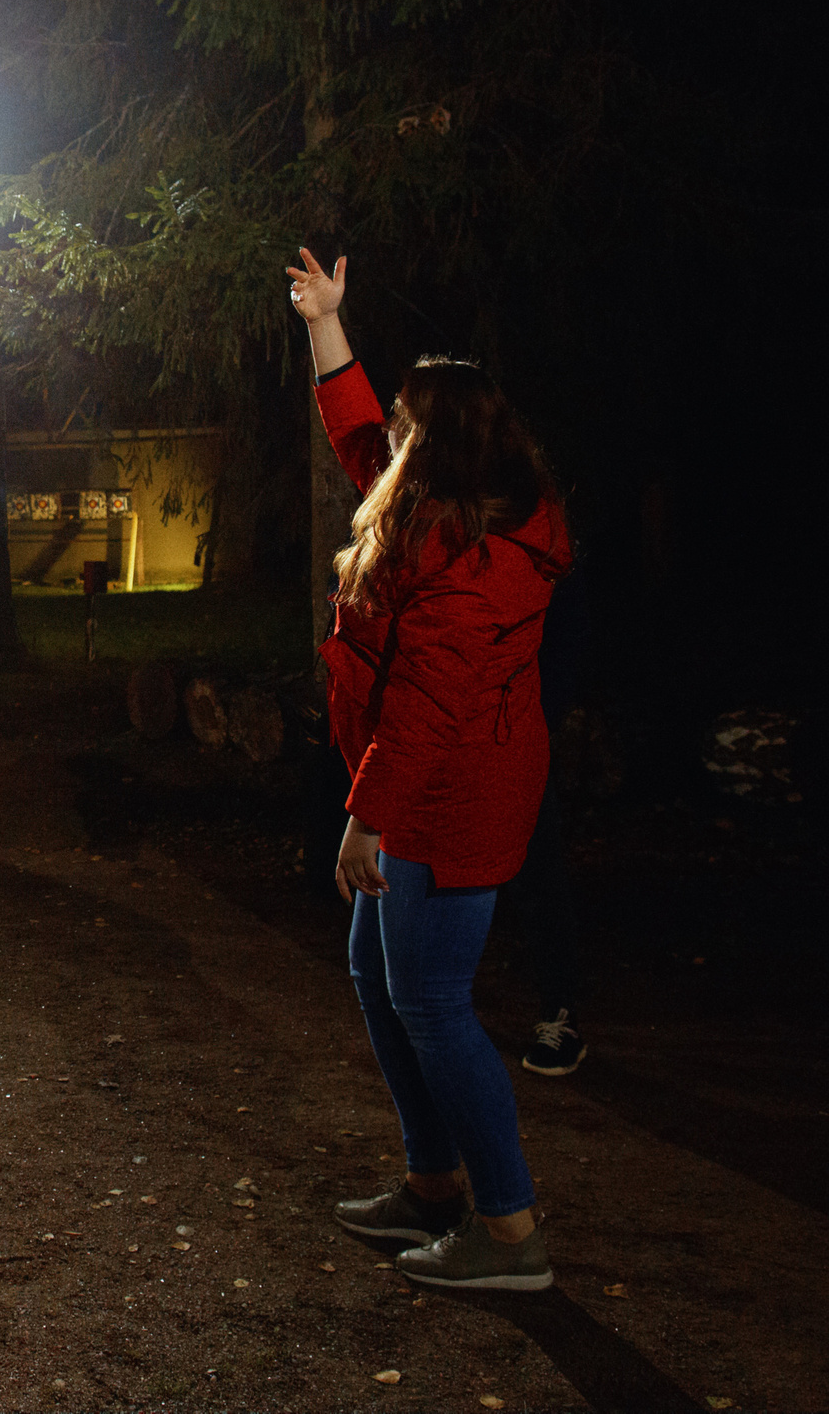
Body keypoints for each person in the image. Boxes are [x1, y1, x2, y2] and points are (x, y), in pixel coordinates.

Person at [288, 246, 571, 1292]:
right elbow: (359, 437)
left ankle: (509, 1228)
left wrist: (366, 818)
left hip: (450, 798)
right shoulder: (435, 501)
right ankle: (432, 1182)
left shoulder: (478, 554)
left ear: (438, 442)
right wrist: (326, 322)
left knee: (435, 1003)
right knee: (379, 977)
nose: (392, 437)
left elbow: (426, 705)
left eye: (408, 423)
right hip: (419, 786)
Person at [510, 566, 591, 1075]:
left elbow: (568, 626)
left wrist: (539, 713)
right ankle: (436, 1008)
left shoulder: (539, 541)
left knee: (537, 870)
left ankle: (560, 1013)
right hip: (467, 723)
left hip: (518, 727)